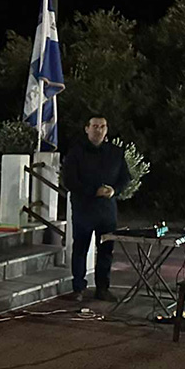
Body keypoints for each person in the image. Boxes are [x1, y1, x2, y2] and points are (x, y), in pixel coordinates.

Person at [63, 115, 130, 302]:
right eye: (94, 126)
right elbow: (69, 181)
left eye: (102, 126)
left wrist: (114, 190)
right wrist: (94, 191)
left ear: (106, 130)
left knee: (106, 251)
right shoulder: (76, 153)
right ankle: (78, 288)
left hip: (107, 211)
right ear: (87, 128)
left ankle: (103, 288)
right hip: (84, 208)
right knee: (80, 249)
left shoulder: (116, 153)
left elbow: (125, 178)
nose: (98, 130)